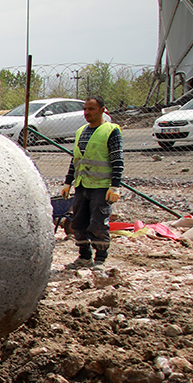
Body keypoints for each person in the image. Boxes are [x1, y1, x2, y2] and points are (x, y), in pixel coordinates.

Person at [60, 96, 123, 269]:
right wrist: (68, 182)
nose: (87, 113)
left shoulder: (111, 131)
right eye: (85, 109)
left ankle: (100, 259)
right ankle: (84, 256)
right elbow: (76, 160)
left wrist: (115, 185)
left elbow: (117, 160)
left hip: (101, 187)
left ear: (102, 110)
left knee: (98, 223)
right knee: (78, 222)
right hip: (82, 185)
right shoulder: (81, 131)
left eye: (91, 109)